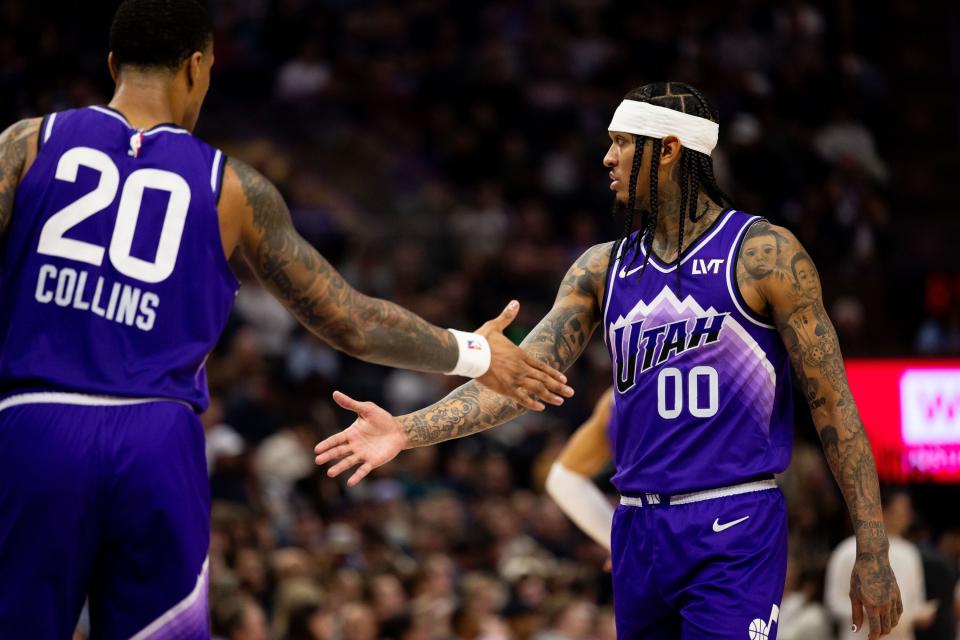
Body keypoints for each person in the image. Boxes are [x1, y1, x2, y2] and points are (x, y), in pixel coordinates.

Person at [0, 1, 572, 637]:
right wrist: (478, 353)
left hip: (34, 424)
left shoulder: (28, 144)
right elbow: (352, 321)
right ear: (197, 67)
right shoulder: (234, 189)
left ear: (112, 64)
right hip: (155, 439)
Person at [316, 81, 903, 639]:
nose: (607, 158)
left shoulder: (764, 254)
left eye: (622, 142)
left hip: (734, 522)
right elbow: (516, 381)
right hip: (637, 529)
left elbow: (836, 405)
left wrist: (871, 548)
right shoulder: (602, 268)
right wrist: (404, 431)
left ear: (669, 150)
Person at [825, 490, 937, 640]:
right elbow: (833, 603)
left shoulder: (910, 553)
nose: (907, 516)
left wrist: (918, 614)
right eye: (902, 509)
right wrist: (869, 610)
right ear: (882, 509)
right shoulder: (847, 551)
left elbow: (915, 602)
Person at [544, 388, 615, 552]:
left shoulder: (619, 397)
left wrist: (621, 545)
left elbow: (563, 480)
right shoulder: (616, 399)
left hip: (655, 544)